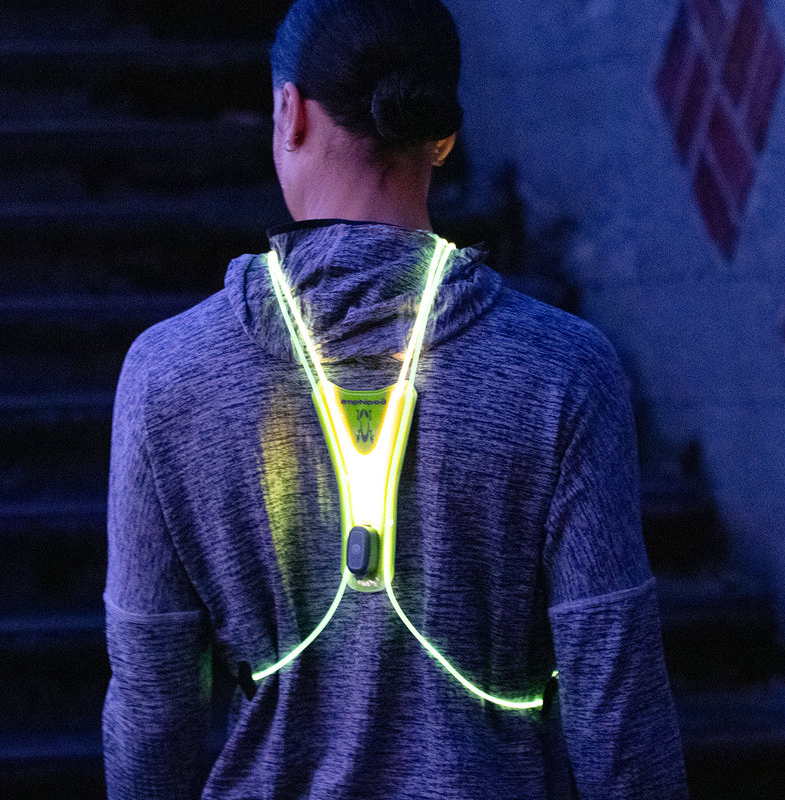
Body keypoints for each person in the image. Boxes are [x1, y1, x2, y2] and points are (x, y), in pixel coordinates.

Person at [103, 0, 688, 797]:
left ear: (289, 112)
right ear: (441, 137)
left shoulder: (165, 374)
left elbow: (152, 711)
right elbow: (618, 708)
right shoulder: (564, 372)